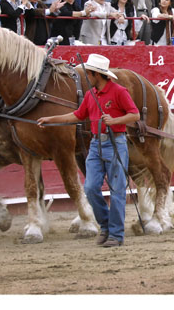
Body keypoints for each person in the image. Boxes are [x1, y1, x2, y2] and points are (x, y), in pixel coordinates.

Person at [37, 54, 140, 248]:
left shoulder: (119, 92)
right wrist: (51, 120)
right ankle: (107, 226)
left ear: (96, 75)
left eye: (88, 74)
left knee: (117, 190)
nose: (86, 78)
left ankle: (115, 234)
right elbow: (77, 115)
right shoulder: (90, 95)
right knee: (91, 188)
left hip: (115, 143)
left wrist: (115, 121)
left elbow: (134, 114)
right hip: (96, 145)